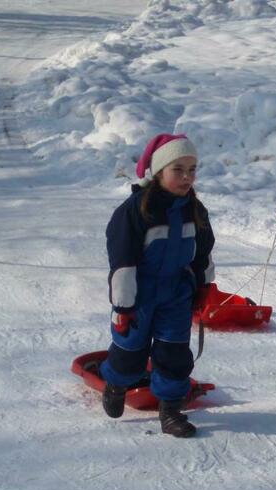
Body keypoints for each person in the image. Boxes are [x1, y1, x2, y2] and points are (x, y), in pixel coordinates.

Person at [100, 134, 215, 438]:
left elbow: (203, 252)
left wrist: (204, 287)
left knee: (173, 353)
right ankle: (115, 383)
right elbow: (123, 262)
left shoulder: (195, 210)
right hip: (138, 295)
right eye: (178, 169)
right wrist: (123, 306)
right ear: (159, 171)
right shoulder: (135, 211)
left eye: (192, 169)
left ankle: (171, 410)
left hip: (177, 294)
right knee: (129, 352)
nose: (187, 177)